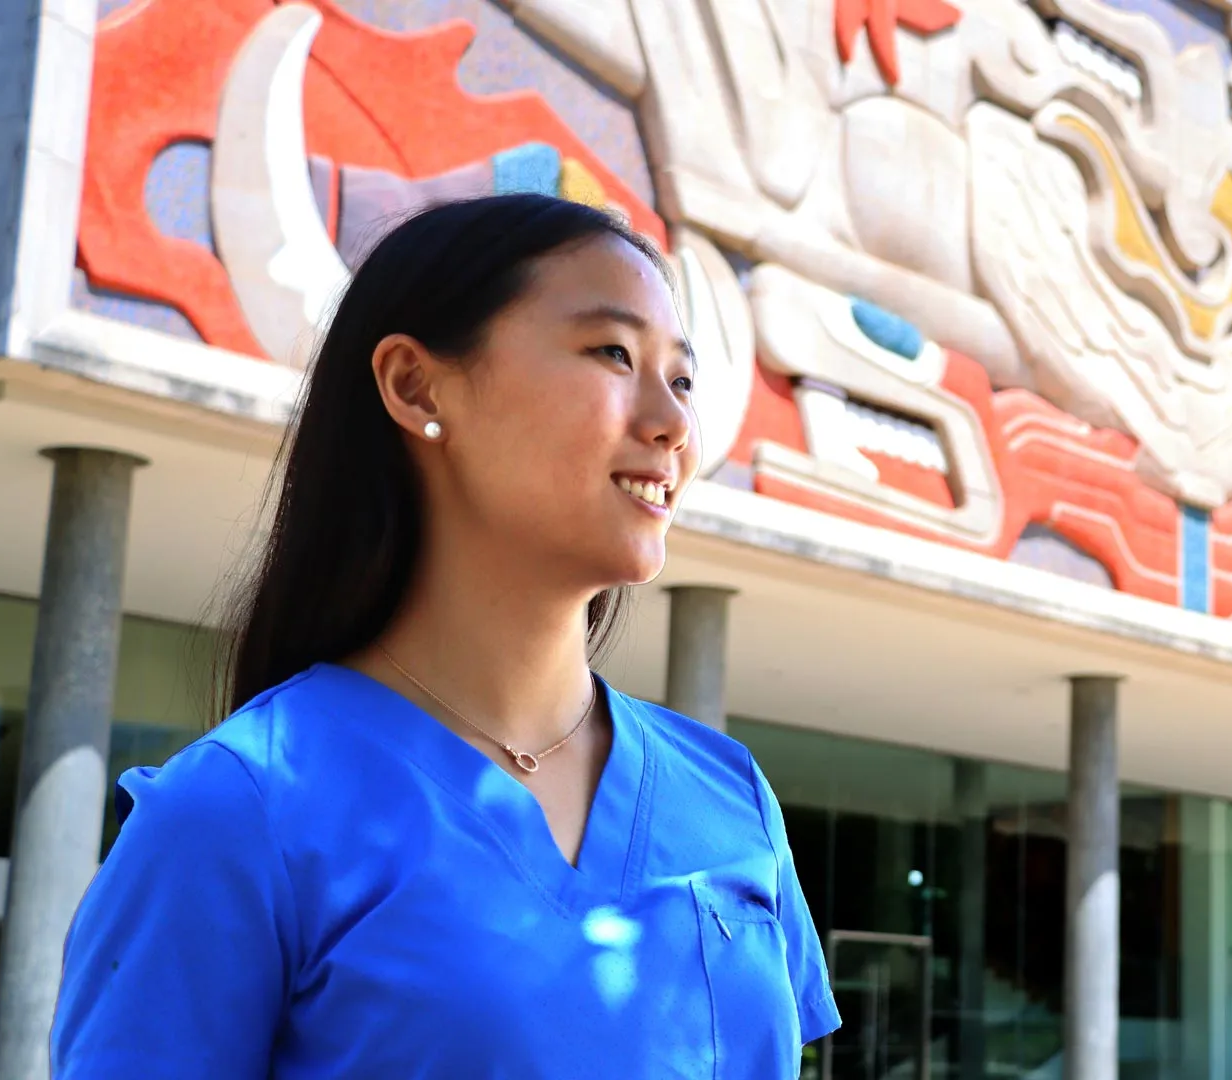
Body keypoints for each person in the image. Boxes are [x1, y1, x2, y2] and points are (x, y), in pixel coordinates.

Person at [51, 194, 841, 1075]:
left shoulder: (730, 795)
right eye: (613, 353)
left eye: (683, 380)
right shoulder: (237, 812)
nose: (675, 426)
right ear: (415, 386)